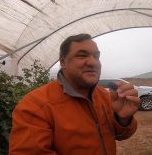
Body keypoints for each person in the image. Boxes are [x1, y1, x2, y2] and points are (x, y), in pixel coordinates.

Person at [9, 33, 140, 155]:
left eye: (96, 56)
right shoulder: (36, 105)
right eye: (82, 56)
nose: (93, 62)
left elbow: (122, 135)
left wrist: (123, 119)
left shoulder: (105, 96)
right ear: (63, 62)